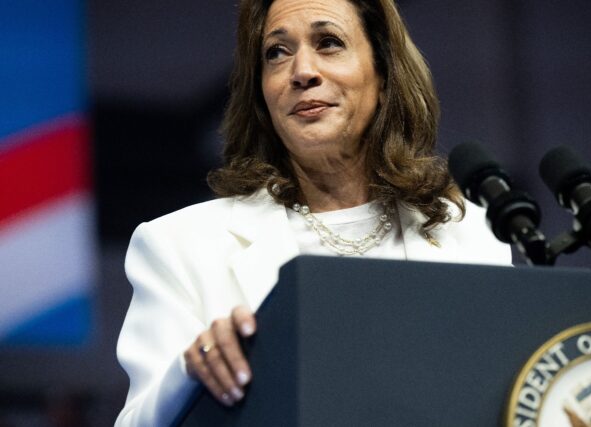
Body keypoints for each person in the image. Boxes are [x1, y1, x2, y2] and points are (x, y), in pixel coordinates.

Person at [115, 0, 512, 424]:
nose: (301, 71)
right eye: (277, 53)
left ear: (383, 73)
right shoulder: (179, 246)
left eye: (328, 43)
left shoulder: (471, 233)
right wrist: (190, 373)